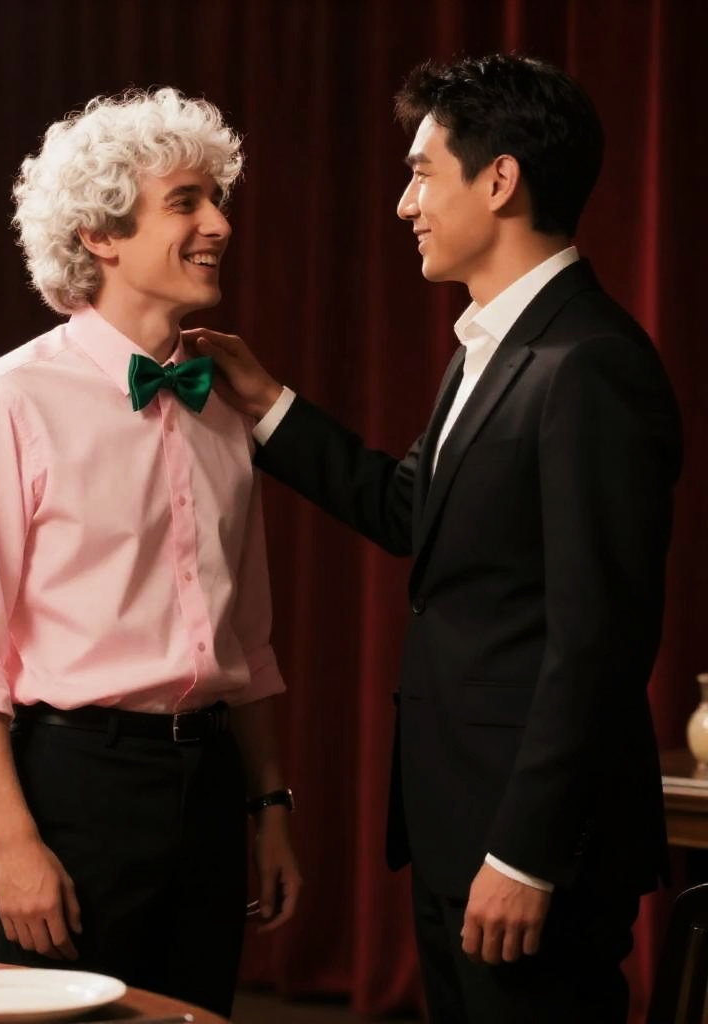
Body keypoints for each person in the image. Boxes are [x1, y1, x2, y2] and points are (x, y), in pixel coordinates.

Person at [189, 54, 682, 1023]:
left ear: (499, 181)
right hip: (460, 828)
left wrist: (526, 853)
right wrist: (268, 403)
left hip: (531, 849)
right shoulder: (491, 344)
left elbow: (600, 642)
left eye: (421, 172)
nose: (404, 203)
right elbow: (408, 508)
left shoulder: (588, 363)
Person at [0, 88, 300, 1017]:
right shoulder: (6, 403)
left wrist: (270, 809)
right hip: (74, 788)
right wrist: (13, 843)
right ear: (100, 234)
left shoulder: (223, 405)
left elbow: (247, 642)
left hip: (210, 786)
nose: (220, 224)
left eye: (217, 199)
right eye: (186, 202)